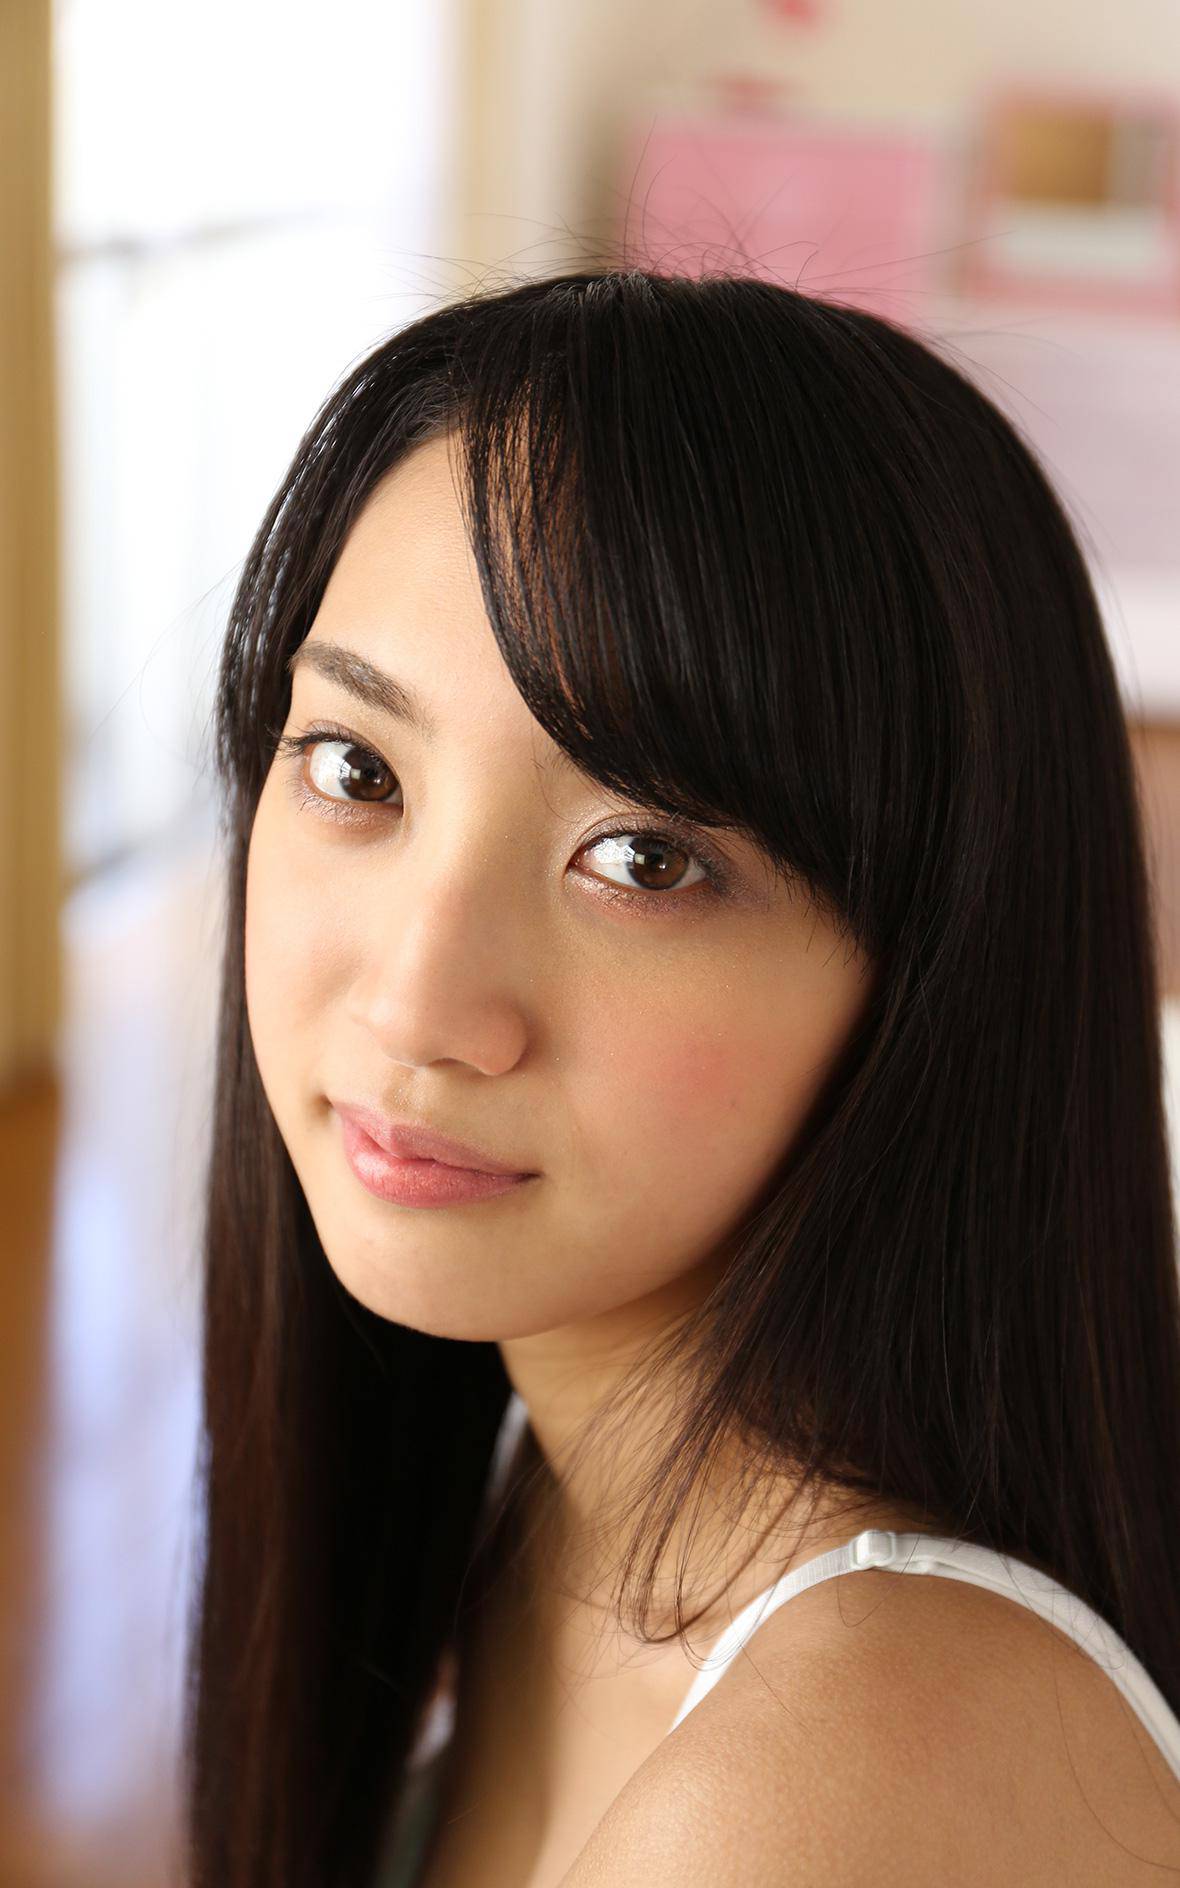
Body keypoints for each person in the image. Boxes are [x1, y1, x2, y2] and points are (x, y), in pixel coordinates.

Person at [181, 266, 1180, 1888]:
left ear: (936, 971)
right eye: (357, 770)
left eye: (644, 858)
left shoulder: (843, 1782)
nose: (419, 1003)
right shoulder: (560, 1492)